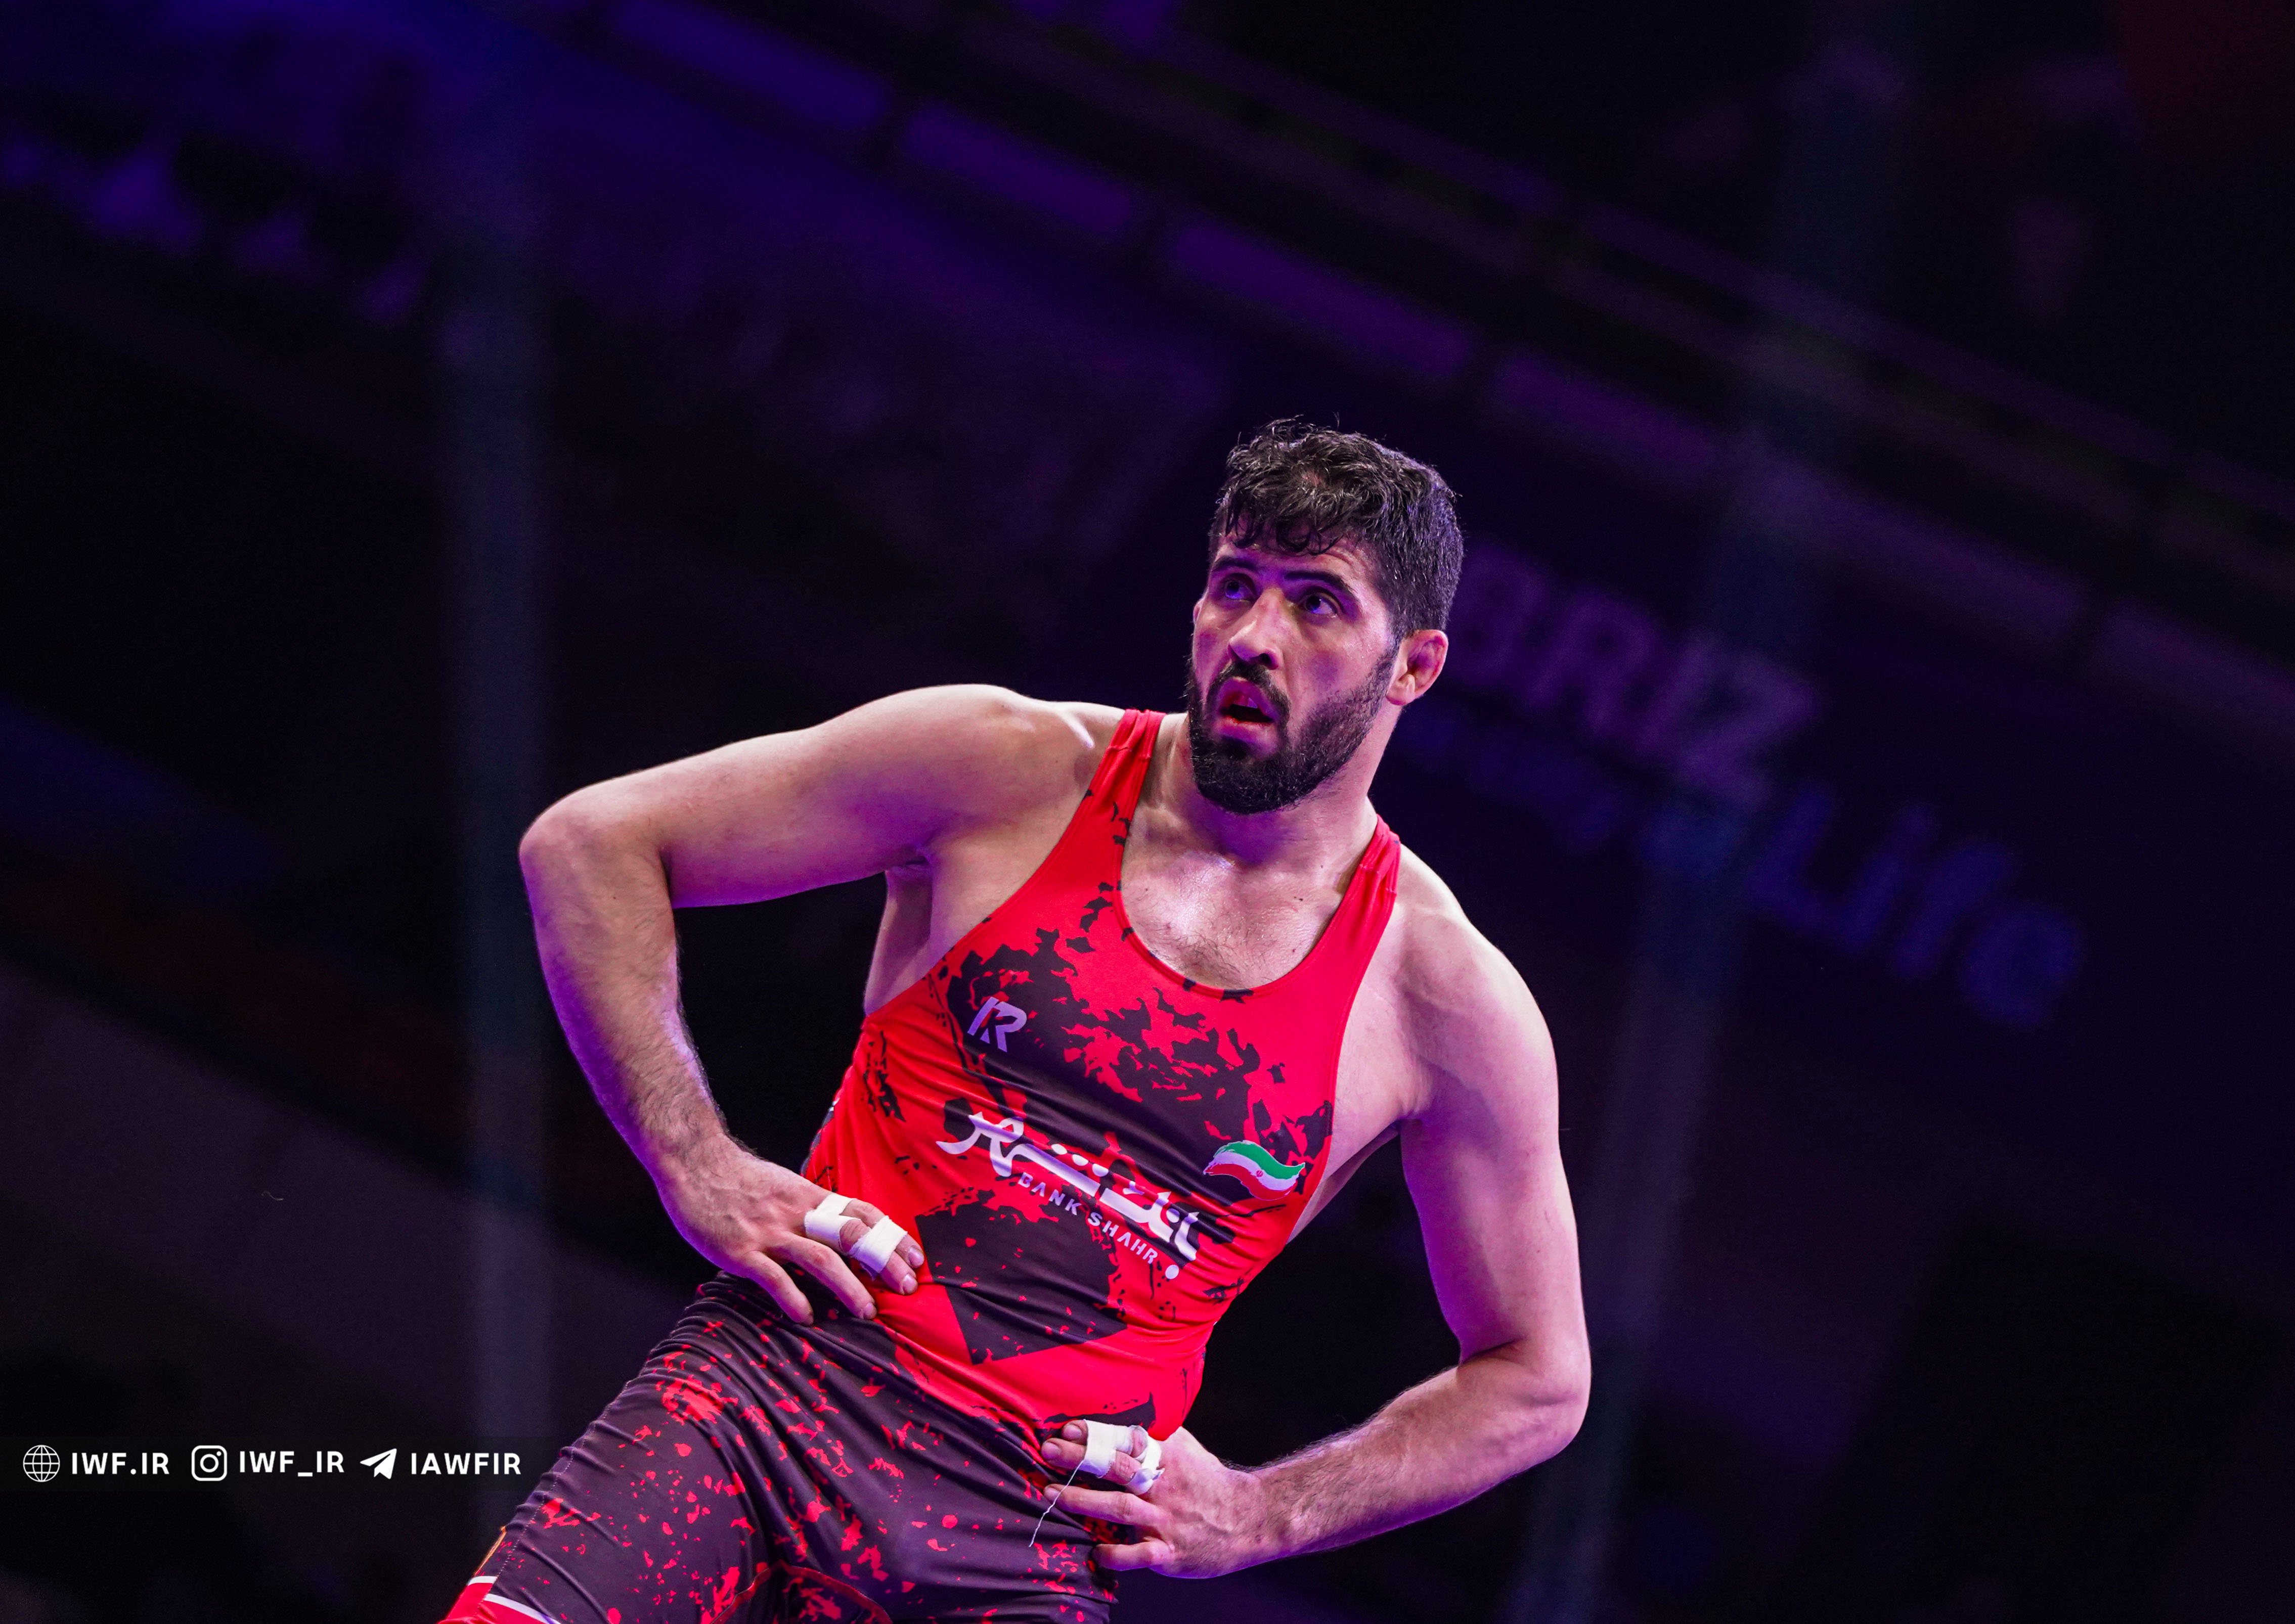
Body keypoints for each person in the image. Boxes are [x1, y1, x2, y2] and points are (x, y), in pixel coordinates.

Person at [439, 422, 1589, 1624]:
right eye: (1235, 585)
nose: (1255, 635)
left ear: (1413, 666)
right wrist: (696, 1159)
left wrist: (1268, 1512)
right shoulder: (1004, 766)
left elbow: (1539, 1379)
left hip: (1019, 1544)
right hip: (758, 1406)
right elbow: (591, 845)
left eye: (1317, 603)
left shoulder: (1442, 994)